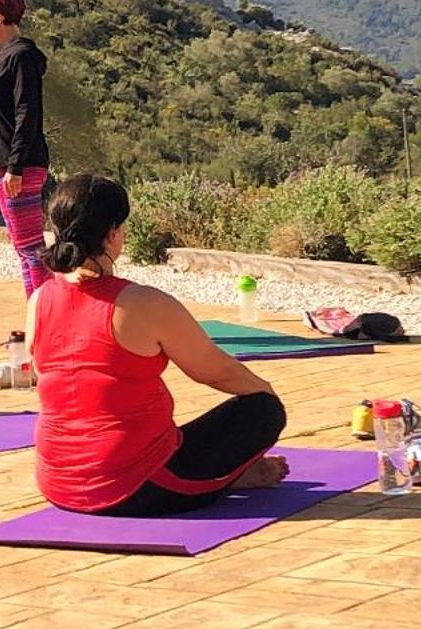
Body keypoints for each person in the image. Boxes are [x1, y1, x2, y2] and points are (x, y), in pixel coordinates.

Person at [29, 173, 288, 515]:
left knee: (149, 435)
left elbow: (43, 373)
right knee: (263, 410)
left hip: (58, 484)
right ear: (113, 233)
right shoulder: (143, 303)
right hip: (137, 487)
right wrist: (265, 391)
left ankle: (222, 478)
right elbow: (214, 371)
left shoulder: (39, 299)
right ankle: (220, 480)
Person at [0, 0, 52, 299]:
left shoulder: (21, 56)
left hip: (19, 167)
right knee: (24, 249)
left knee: (32, 249)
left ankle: (48, 319)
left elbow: (27, 112)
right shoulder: (4, 57)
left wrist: (16, 167)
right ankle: (37, 315)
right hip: (5, 165)